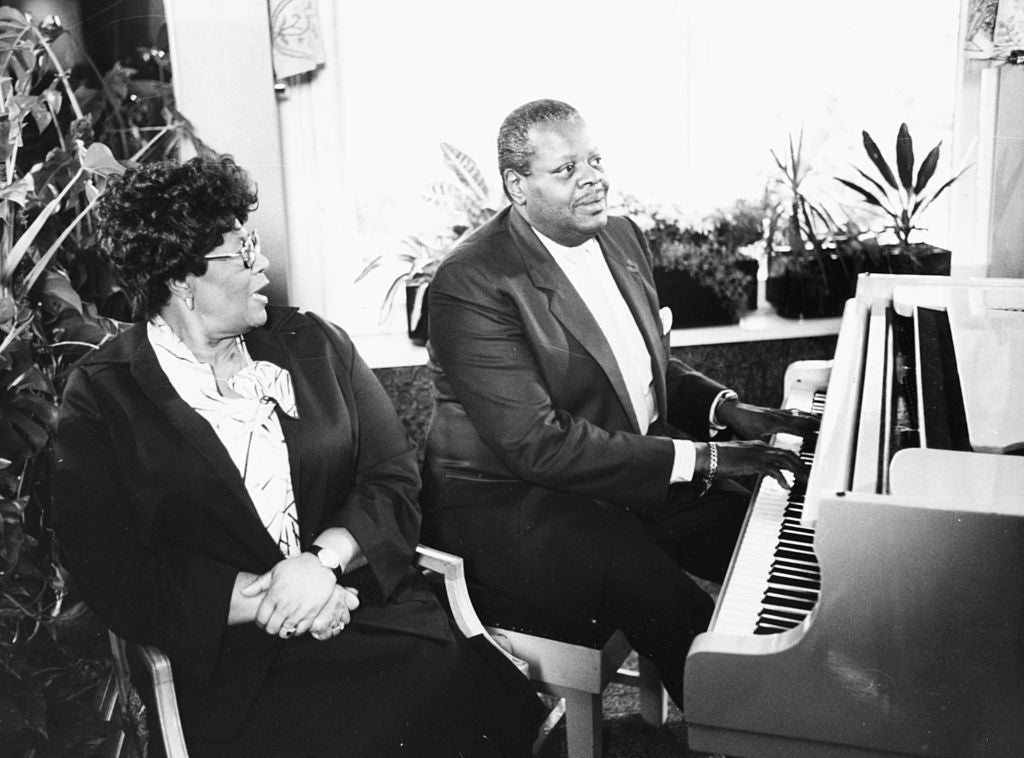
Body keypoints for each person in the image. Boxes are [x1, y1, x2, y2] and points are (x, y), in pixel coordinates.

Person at [54, 155, 542, 757]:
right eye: (242, 250)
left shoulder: (314, 343)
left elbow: (392, 480)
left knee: (446, 698)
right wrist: (281, 599)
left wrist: (320, 566)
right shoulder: (102, 393)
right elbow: (113, 567)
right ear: (182, 278)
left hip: (364, 610)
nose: (262, 263)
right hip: (236, 657)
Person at [420, 99, 820, 710]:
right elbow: (538, 445)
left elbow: (644, 365)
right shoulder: (470, 283)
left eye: (596, 159)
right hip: (520, 509)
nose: (594, 177)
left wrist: (729, 410)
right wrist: (708, 460)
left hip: (618, 472)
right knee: (683, 611)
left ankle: (823, 705)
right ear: (516, 186)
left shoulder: (622, 235)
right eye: (566, 169)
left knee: (782, 534)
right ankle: (752, 730)